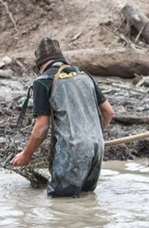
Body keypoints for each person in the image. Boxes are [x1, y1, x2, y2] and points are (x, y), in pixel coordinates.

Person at [11, 37, 115, 197]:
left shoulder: (43, 81)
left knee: (61, 203)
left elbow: (41, 128)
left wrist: (26, 154)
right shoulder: (84, 75)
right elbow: (108, 112)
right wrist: (91, 137)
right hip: (96, 149)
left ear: (39, 65)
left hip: (72, 152)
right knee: (85, 198)